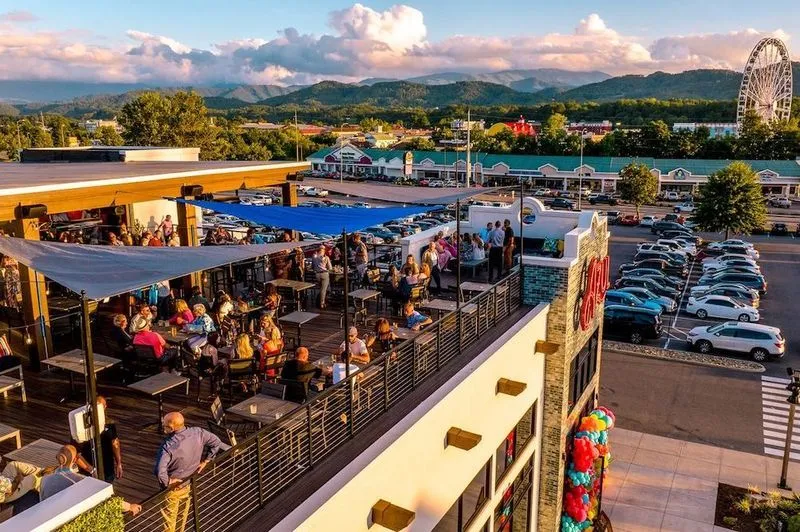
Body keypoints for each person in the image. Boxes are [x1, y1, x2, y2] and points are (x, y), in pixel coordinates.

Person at [154, 412, 229, 532]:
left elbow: (159, 470)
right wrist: (207, 460)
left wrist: (168, 482)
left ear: (172, 428)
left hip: (174, 488)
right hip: (189, 483)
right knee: (181, 516)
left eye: (164, 426)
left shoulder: (168, 446)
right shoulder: (198, 432)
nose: (163, 427)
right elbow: (216, 442)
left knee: (169, 522)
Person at [73, 396, 123, 483]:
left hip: (108, 470)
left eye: (101, 407)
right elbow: (76, 454)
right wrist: (91, 470)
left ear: (105, 407)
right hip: (88, 474)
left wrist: (119, 463)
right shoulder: (80, 428)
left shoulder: (109, 424)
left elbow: (115, 443)